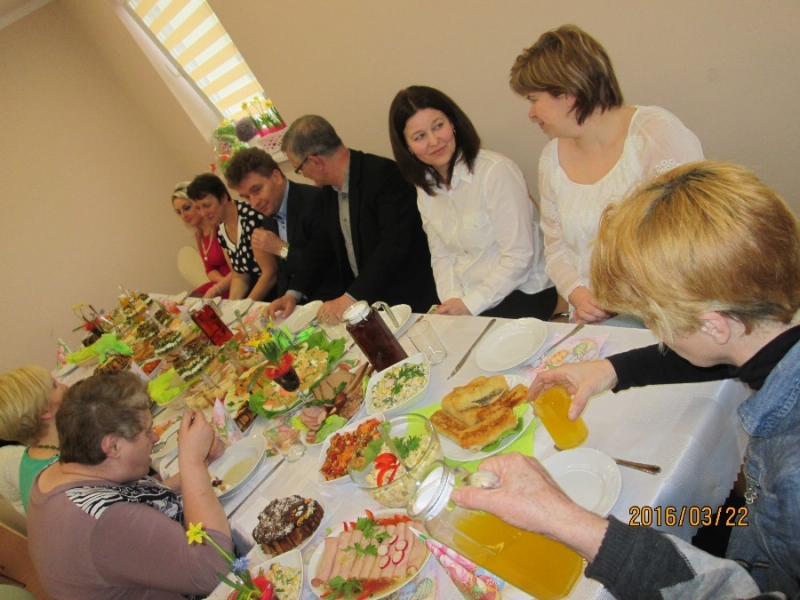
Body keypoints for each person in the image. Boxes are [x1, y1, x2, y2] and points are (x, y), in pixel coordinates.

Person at [458, 162, 800, 598]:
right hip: (747, 524)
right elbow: (722, 354)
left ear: (713, 325)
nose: (658, 334)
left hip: (755, 562)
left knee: (642, 514)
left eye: (657, 323)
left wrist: (564, 519)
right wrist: (612, 369)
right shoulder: (760, 329)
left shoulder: (793, 476)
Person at [509, 24, 704, 324]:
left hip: (665, 313)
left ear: (568, 94)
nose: (531, 114)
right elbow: (556, 246)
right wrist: (577, 293)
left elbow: (692, 239)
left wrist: (618, 298)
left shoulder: (654, 135)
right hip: (593, 315)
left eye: (534, 99)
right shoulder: (551, 158)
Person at [27, 371, 231, 599]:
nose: (155, 438)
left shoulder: (62, 471)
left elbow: (138, 497)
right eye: (147, 431)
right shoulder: (103, 520)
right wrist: (191, 461)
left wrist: (196, 469)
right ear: (112, 446)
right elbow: (216, 569)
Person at [389, 85, 556, 319]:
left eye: (438, 126)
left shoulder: (496, 172)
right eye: (420, 137)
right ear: (407, 147)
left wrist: (470, 305)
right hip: (470, 298)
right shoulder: (425, 187)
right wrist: (452, 301)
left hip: (522, 291)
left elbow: (519, 257)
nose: (434, 141)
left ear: (453, 123)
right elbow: (442, 256)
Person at [266, 115, 438, 322]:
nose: (302, 175)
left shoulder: (383, 175)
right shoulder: (329, 190)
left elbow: (393, 246)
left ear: (314, 161)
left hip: (409, 302)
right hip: (368, 305)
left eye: (299, 168)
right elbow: (321, 245)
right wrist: (293, 294)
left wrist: (350, 298)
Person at [223, 147, 341, 301]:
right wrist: (281, 301)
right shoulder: (268, 213)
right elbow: (283, 273)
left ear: (276, 177)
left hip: (331, 297)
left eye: (257, 190)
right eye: (246, 197)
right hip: (298, 298)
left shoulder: (314, 201)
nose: (254, 203)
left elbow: (325, 265)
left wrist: (280, 248)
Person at [187, 172, 277, 301]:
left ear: (223, 198)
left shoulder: (250, 218)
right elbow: (239, 276)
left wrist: (245, 306)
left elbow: (270, 273)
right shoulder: (221, 229)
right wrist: (232, 304)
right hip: (255, 295)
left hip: (275, 291)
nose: (203, 213)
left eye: (207, 205)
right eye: (198, 208)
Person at [0, 366, 65, 515]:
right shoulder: (62, 471)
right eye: (55, 385)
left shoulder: (31, 458)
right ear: (45, 411)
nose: (64, 386)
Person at [171, 182, 232, 299]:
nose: (183, 215)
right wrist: (221, 283)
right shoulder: (199, 235)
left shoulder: (220, 227)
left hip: (235, 282)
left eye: (186, 208)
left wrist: (221, 286)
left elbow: (239, 271)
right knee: (189, 302)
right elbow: (209, 270)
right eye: (179, 212)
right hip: (222, 283)